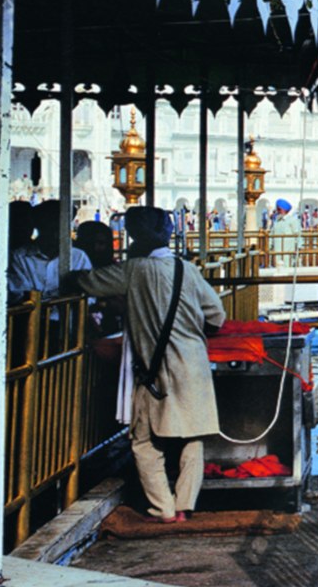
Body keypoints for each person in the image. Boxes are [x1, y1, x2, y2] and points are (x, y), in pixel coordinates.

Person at [72, 206, 225, 523]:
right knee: (192, 437)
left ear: (135, 237)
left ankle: (163, 508)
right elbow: (217, 316)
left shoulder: (133, 270)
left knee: (143, 440)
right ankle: (185, 505)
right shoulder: (187, 269)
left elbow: (86, 282)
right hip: (194, 365)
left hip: (154, 371)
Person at [266, 198, 301, 265]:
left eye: (279, 209)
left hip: (288, 251)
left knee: (287, 266)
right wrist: (269, 246)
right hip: (277, 250)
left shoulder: (292, 220)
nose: (278, 211)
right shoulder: (277, 221)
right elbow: (272, 235)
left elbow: (298, 234)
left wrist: (298, 248)